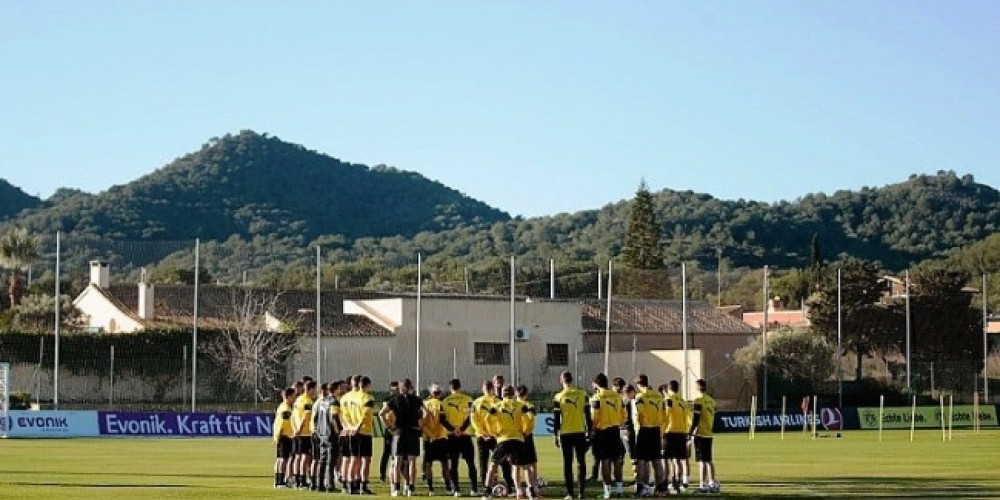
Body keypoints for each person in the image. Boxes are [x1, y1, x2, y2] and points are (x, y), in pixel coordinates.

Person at [482, 385, 529, 500]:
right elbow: (530, 418)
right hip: (517, 439)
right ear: (513, 393)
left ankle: (487, 492)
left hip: (503, 439)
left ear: (502, 394)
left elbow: (487, 418)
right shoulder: (520, 405)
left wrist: (492, 432)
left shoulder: (497, 405)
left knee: (493, 465)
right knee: (519, 466)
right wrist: (525, 431)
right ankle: (522, 491)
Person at [382, 378, 426, 497]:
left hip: (399, 432)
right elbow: (426, 413)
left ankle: (396, 488)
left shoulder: (394, 400)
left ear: (400, 388)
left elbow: (382, 413)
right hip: (413, 432)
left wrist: (390, 426)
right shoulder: (417, 400)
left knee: (397, 461)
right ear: (410, 387)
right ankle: (410, 488)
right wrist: (420, 426)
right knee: (411, 462)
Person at [553, 371, 590, 500]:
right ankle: (581, 492)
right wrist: (589, 431)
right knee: (581, 462)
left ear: (561, 380)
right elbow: (588, 414)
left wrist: (555, 435)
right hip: (580, 432)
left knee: (567, 463)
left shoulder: (558, 397)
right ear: (572, 380)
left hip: (565, 433)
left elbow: (557, 419)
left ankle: (570, 493)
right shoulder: (582, 394)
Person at [589, 373, 625, 500]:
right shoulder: (617, 396)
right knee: (617, 460)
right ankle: (620, 489)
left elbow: (594, 417)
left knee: (605, 461)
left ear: (597, 384)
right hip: (615, 431)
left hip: (602, 432)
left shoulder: (597, 397)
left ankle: (607, 492)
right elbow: (623, 415)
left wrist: (592, 430)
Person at [442, 378, 478, 497]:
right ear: (460, 387)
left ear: (450, 388)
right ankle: (474, 489)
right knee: (470, 463)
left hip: (452, 436)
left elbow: (441, 419)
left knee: (453, 463)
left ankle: (456, 490)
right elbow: (471, 417)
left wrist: (453, 430)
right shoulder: (468, 399)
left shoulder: (445, 401)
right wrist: (462, 429)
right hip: (465, 435)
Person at [630, 375, 664, 497]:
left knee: (642, 461)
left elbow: (639, 412)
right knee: (657, 460)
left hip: (644, 430)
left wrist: (638, 427)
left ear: (638, 384)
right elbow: (662, 412)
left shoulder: (640, 396)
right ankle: (660, 488)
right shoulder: (658, 396)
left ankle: (642, 488)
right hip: (656, 429)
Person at [688, 379, 719, 494]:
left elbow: (695, 420)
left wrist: (690, 432)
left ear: (697, 387)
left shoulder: (698, 401)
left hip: (700, 433)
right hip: (709, 433)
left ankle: (703, 485)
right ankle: (712, 482)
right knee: (709, 460)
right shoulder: (712, 401)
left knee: (701, 461)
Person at [423, 384, 454, 495]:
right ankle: (448, 487)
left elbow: (422, 423)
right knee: (444, 464)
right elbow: (445, 421)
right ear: (439, 393)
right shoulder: (443, 404)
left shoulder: (425, 404)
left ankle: (431, 489)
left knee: (428, 464)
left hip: (429, 438)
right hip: (441, 438)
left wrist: (430, 435)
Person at [663, 380, 689, 493]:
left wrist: (663, 430)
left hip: (670, 431)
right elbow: (687, 416)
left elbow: (667, 414)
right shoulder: (683, 401)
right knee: (677, 460)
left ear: (668, 389)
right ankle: (677, 485)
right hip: (681, 432)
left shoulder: (669, 400)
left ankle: (667, 483)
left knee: (668, 460)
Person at [292, 379, 318, 489]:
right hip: (305, 433)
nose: (316, 391)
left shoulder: (298, 400)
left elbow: (293, 416)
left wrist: (295, 429)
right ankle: (302, 481)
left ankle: (297, 480)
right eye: (315, 389)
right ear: (311, 389)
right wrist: (300, 429)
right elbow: (305, 417)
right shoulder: (308, 402)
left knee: (298, 457)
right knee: (304, 457)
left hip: (297, 431)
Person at [516, 385, 541, 500]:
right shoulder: (529, 405)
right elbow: (532, 422)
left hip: (515, 436)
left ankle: (519, 490)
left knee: (516, 465)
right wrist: (526, 433)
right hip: (527, 437)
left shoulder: (513, 405)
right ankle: (533, 487)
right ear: (526, 394)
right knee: (531, 464)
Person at [312, 382, 336, 491]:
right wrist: (338, 431)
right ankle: (330, 485)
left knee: (322, 460)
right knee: (330, 462)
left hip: (322, 434)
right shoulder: (332, 402)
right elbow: (333, 419)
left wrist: (317, 430)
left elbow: (315, 418)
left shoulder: (321, 402)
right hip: (330, 434)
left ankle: (319, 484)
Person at [273, 386, 297, 488]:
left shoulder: (281, 406)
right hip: (285, 437)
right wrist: (278, 437)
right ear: (289, 397)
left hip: (282, 436)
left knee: (280, 459)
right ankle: (280, 481)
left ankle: (278, 480)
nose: (295, 398)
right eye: (293, 396)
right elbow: (282, 425)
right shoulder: (286, 410)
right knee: (283, 460)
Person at [380, 381, 400, 483]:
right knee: (386, 452)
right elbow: (384, 414)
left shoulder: (401, 400)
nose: (395, 391)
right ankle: (382, 475)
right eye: (393, 389)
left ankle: (396, 474)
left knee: (397, 453)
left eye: (397, 389)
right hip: (389, 429)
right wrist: (389, 427)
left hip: (398, 429)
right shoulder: (387, 400)